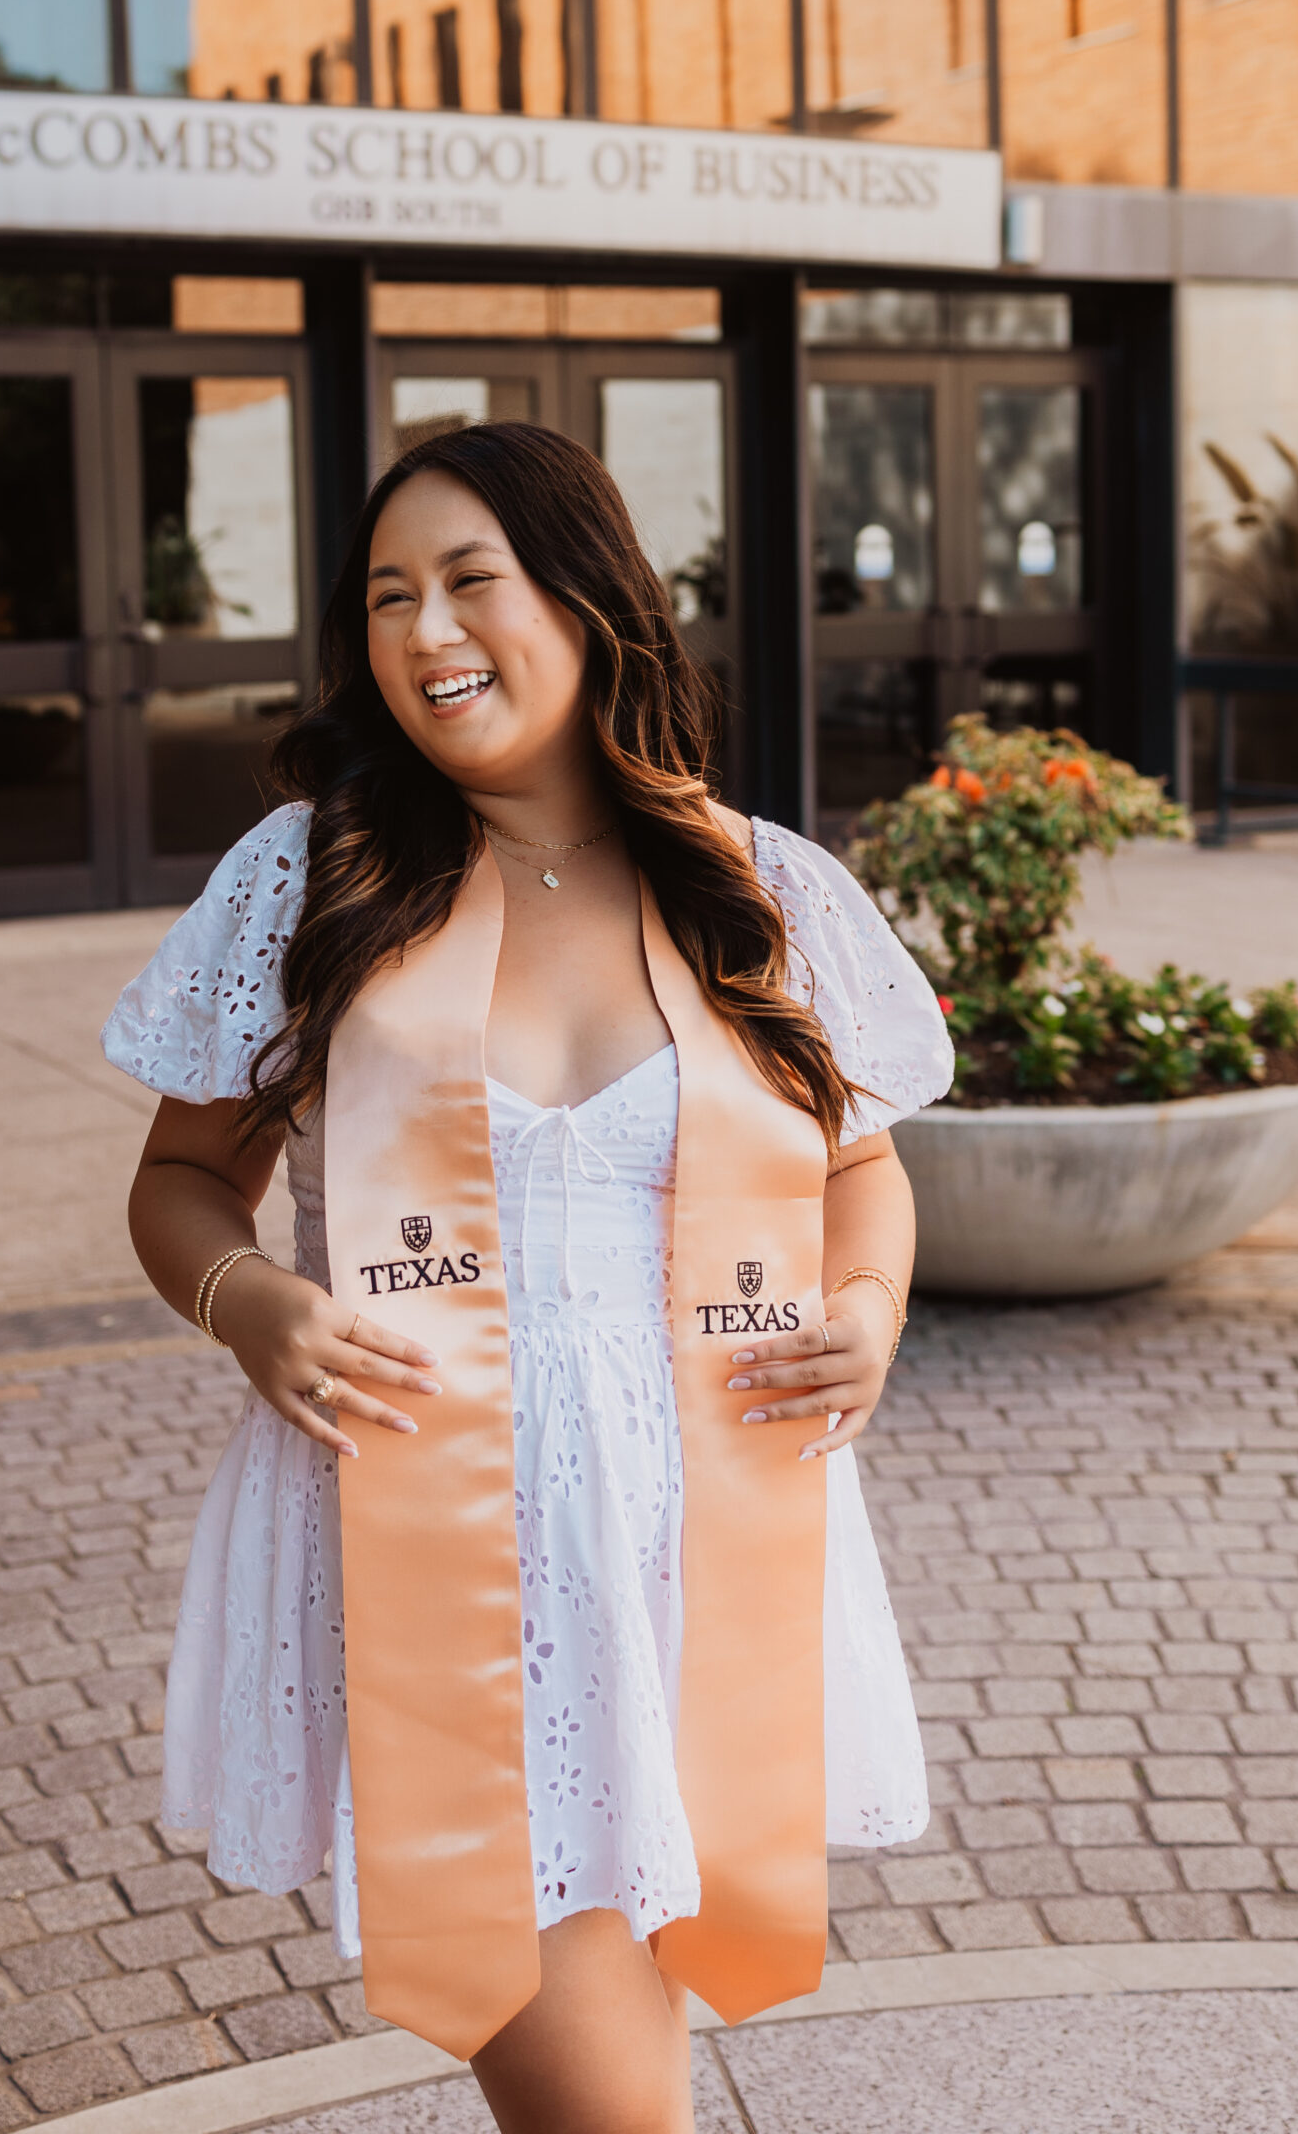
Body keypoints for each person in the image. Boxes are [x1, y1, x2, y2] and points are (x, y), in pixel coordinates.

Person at [103, 420, 953, 2134]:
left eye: (469, 583)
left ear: (588, 598)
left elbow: (862, 1176)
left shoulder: (755, 886)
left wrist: (863, 1312)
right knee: (596, 2091)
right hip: (434, 1517)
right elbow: (185, 1180)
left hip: (691, 1525)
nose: (424, 634)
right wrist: (251, 1303)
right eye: (386, 596)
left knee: (630, 2037)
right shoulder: (313, 878)